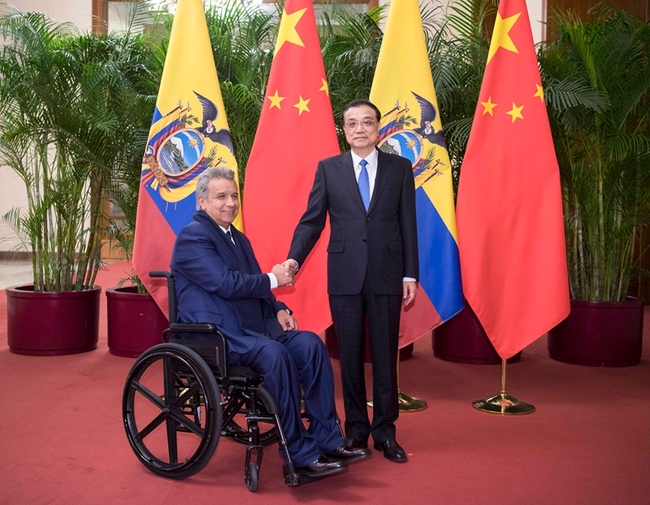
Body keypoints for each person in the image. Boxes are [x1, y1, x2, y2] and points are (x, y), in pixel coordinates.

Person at [171, 167, 370, 486]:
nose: (230, 203)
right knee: (276, 355)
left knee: (311, 345)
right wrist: (275, 278)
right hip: (217, 335)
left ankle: (328, 441)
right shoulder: (192, 237)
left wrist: (279, 307)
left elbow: (255, 287)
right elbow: (227, 284)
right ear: (202, 201)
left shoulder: (238, 239)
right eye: (221, 196)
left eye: (234, 196)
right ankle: (299, 456)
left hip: (253, 328)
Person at [285, 99, 418, 463]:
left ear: (378, 128)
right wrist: (294, 257)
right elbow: (312, 220)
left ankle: (386, 433)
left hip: (387, 273)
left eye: (367, 122)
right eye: (352, 123)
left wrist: (410, 273)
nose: (360, 129)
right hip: (344, 275)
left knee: (385, 356)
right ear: (344, 130)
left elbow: (408, 223)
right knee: (350, 356)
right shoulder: (329, 169)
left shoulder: (400, 168)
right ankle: (357, 429)